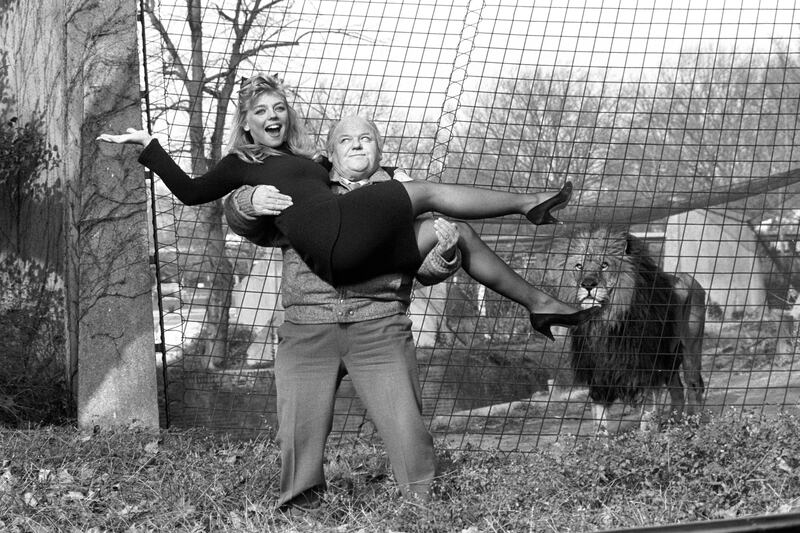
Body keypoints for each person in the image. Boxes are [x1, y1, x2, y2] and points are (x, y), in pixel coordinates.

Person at [97, 74, 598, 340]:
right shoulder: (242, 160)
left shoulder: (312, 162)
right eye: (259, 112)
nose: (272, 116)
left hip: (351, 253)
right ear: (246, 124)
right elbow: (190, 192)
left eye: (278, 108)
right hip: (329, 242)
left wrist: (375, 180)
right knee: (420, 190)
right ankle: (529, 203)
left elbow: (355, 172)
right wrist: (151, 146)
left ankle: (538, 304)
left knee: (452, 229)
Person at [223, 116, 461, 509]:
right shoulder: (305, 189)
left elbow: (423, 269)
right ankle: (302, 509)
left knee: (407, 429)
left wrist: (447, 254)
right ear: (331, 153)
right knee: (298, 431)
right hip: (307, 329)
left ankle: (423, 509)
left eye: (366, 138)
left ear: (378, 151)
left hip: (379, 326)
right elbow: (242, 221)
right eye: (345, 140)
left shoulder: (402, 197)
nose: (356, 145)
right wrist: (250, 201)